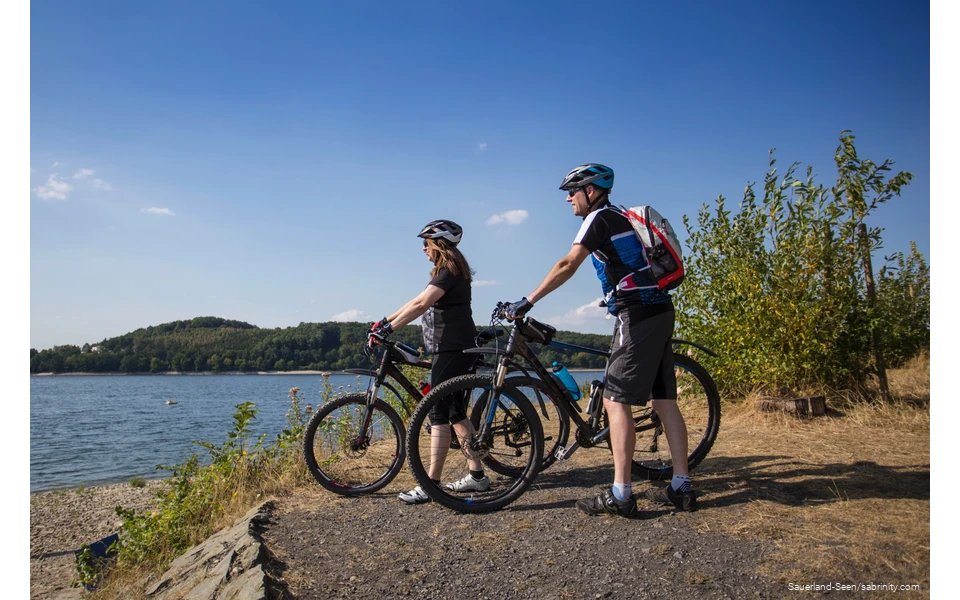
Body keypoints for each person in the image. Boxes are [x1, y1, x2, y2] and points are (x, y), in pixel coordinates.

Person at [502, 163, 697, 517]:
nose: (567, 199)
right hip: (659, 308)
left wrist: (527, 301)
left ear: (591, 191)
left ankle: (621, 495)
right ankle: (681, 488)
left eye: (572, 191)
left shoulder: (600, 218)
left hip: (637, 313)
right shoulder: (619, 217)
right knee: (665, 400)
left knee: (614, 401)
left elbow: (567, 264)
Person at [366, 219, 489, 504]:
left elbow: (421, 306)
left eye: (426, 243)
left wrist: (389, 330)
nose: (423, 248)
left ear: (439, 244)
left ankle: (431, 484)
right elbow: (416, 301)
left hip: (451, 349)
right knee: (456, 413)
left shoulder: (449, 271)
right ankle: (478, 477)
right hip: (454, 347)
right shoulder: (447, 271)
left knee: (437, 416)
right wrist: (385, 321)